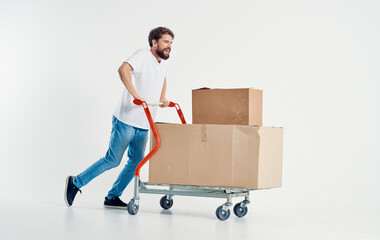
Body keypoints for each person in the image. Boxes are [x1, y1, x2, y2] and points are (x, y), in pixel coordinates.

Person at [64, 27, 174, 209]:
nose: (169, 46)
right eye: (165, 41)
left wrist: (163, 97)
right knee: (112, 160)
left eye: (171, 42)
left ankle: (112, 197)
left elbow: (162, 78)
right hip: (126, 121)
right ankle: (76, 182)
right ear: (154, 42)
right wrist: (135, 95)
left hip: (145, 123)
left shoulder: (162, 62)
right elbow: (123, 70)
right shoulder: (142, 55)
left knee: (136, 162)